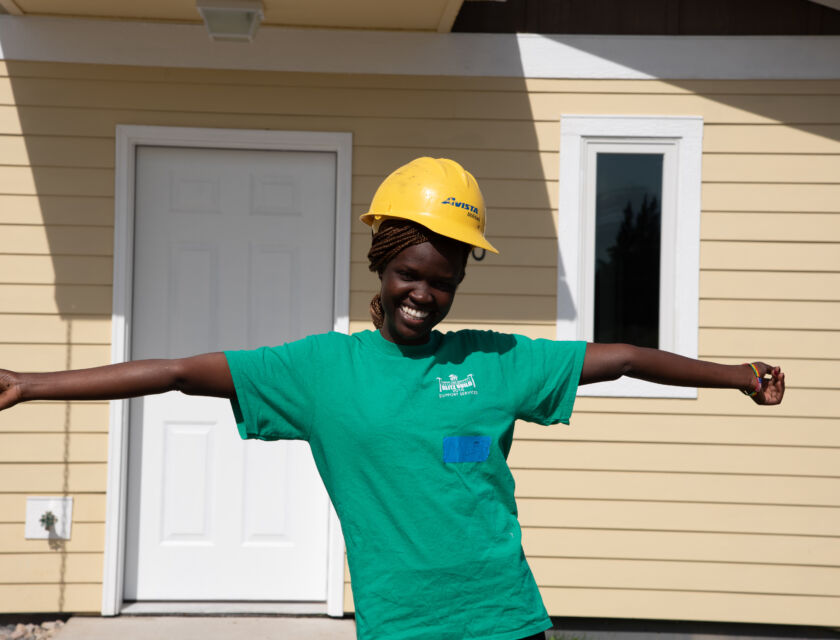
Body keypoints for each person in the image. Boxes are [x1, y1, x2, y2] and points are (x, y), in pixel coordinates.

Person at [0, 157, 784, 640]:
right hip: (402, 625)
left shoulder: (494, 361)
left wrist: (738, 374)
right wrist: (29, 385)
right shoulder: (320, 371)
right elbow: (175, 371)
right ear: (382, 262)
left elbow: (624, 358)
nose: (424, 295)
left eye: (443, 282)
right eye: (410, 273)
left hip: (507, 618)